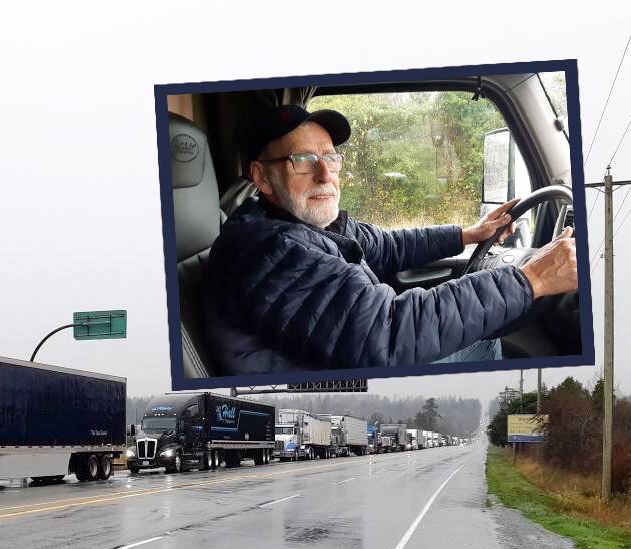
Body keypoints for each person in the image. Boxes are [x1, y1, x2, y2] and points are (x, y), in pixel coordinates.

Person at [203, 104, 579, 373]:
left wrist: (469, 234)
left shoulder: (304, 223)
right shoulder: (268, 252)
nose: (325, 175)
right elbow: (386, 335)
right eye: (302, 160)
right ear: (263, 177)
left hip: (338, 360)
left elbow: (388, 246)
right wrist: (534, 277)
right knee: (482, 340)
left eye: (331, 158)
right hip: (329, 386)